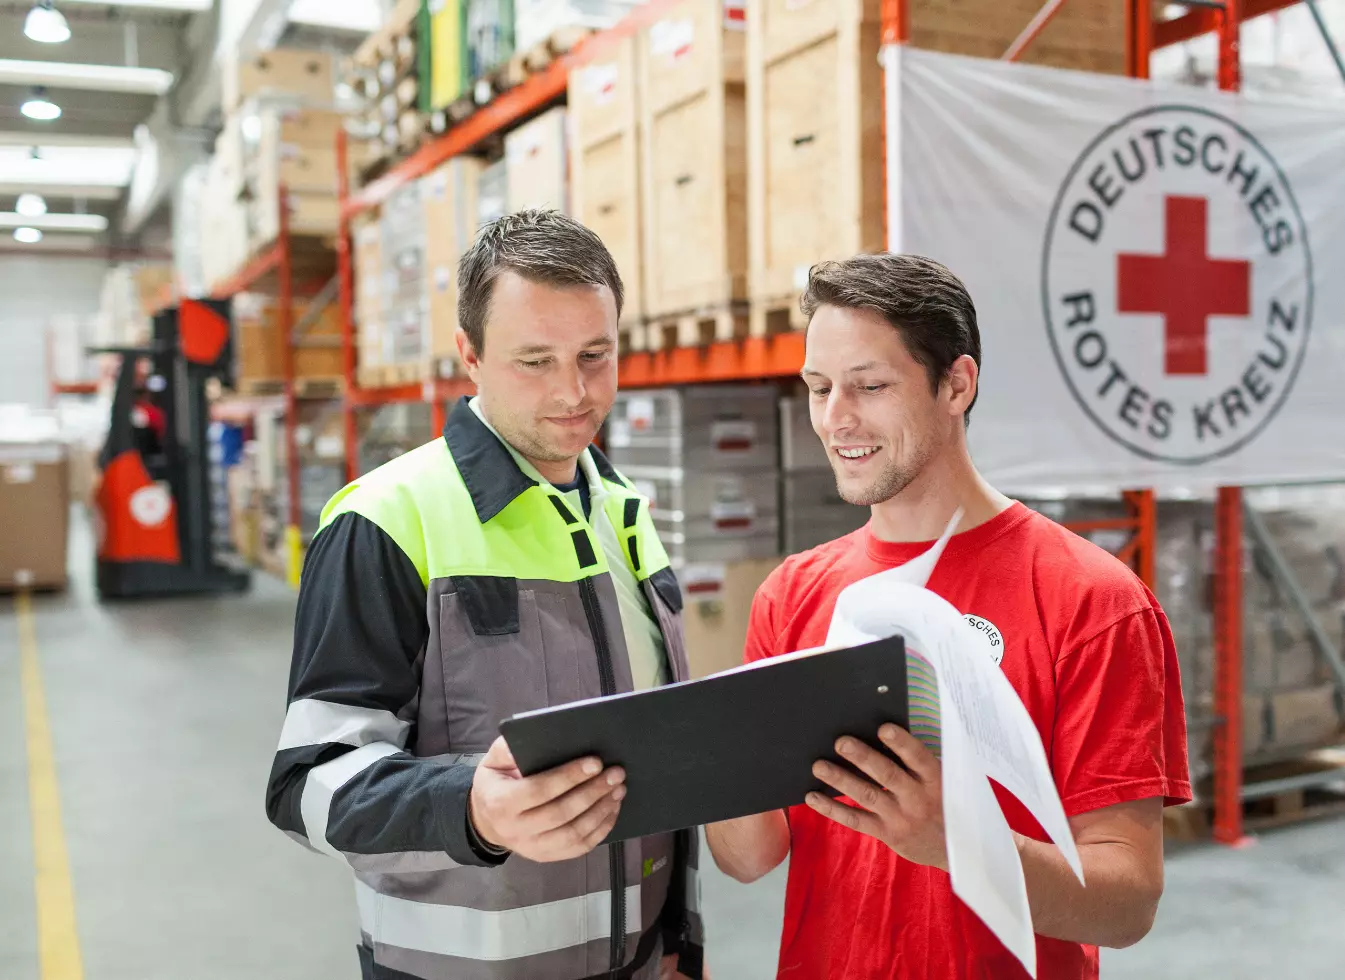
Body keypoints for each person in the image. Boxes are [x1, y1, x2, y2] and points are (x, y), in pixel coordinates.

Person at [706, 253, 1191, 980]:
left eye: (869, 386)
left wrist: (961, 842)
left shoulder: (1092, 599)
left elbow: (1126, 907)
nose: (835, 419)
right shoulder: (793, 593)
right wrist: (707, 753)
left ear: (956, 384)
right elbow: (748, 859)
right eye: (817, 388)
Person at [265, 210, 704, 980]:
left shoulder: (622, 508)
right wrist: (471, 805)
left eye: (594, 355)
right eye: (534, 361)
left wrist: (678, 942)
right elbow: (305, 783)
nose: (573, 393)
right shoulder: (385, 522)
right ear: (468, 356)